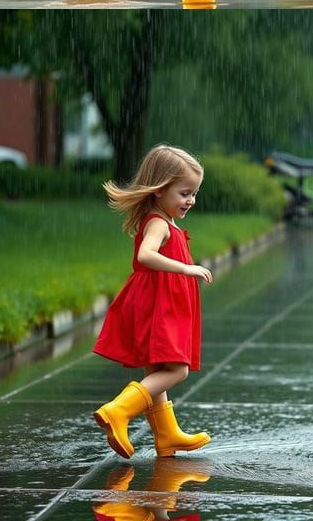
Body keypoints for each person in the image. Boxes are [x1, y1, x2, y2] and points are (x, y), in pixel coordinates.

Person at [92, 144, 212, 459]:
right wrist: (187, 268)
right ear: (159, 190)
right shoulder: (158, 223)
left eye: (194, 193)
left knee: (158, 367)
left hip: (159, 301)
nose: (191, 200)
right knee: (177, 370)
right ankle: (119, 410)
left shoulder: (164, 219)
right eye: (184, 193)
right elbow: (146, 255)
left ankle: (167, 434)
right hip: (161, 304)